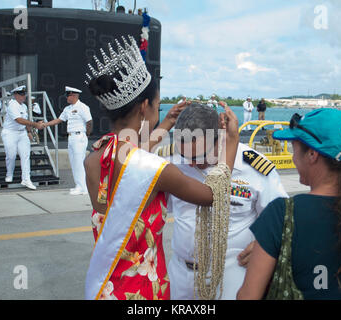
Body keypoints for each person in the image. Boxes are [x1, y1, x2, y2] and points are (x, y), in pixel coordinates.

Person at [83, 35, 240, 300]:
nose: (159, 109)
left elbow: (131, 153)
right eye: (157, 104)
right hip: (142, 292)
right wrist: (232, 142)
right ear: (145, 107)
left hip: (105, 287)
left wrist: (165, 123)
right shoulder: (156, 169)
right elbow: (213, 195)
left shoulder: (95, 158)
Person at [237, 108, 341, 300]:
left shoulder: (282, 214)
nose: (292, 157)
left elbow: (248, 297)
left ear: (312, 154)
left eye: (294, 148)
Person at [156, 103, 288, 300]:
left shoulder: (252, 167)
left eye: (198, 156)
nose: (191, 163)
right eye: (185, 155)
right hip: (180, 275)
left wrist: (267, 243)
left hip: (232, 273)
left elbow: (283, 216)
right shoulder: (170, 160)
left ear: (220, 137)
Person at [43, 86, 93, 195]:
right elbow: (59, 120)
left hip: (79, 136)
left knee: (79, 162)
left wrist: (86, 135)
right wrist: (45, 124)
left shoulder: (83, 107)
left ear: (74, 96)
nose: (66, 98)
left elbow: (89, 122)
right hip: (71, 137)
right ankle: (78, 185)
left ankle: (84, 187)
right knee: (74, 162)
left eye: (68, 95)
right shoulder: (68, 109)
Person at [1, 86, 45, 190]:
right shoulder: (12, 105)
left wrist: (29, 131)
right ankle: (9, 174)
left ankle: (26, 179)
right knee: (11, 155)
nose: (23, 96)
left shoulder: (24, 107)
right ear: (15, 95)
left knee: (25, 155)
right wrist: (35, 124)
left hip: (22, 133)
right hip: (10, 133)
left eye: (24, 94)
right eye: (21, 94)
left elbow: (25, 121)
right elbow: (19, 120)